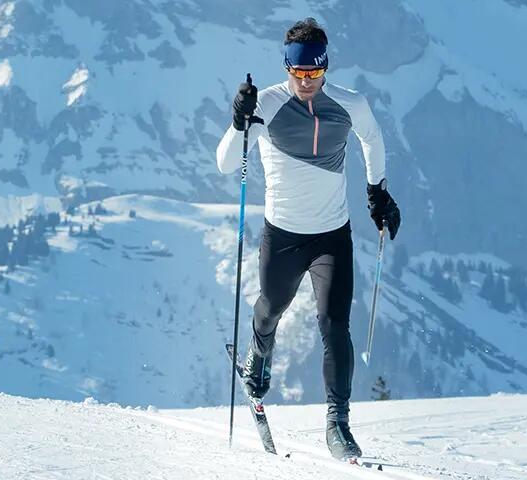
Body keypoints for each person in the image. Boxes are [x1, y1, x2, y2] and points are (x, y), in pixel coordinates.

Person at [212, 17, 401, 460]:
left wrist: (377, 191)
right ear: (287, 68)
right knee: (270, 309)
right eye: (299, 73)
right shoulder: (269, 104)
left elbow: (372, 139)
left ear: (325, 67)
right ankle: (258, 357)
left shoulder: (350, 103)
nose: (307, 82)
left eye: (315, 73)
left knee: (335, 326)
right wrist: (237, 121)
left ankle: (338, 424)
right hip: (282, 237)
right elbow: (224, 163)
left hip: (332, 236)